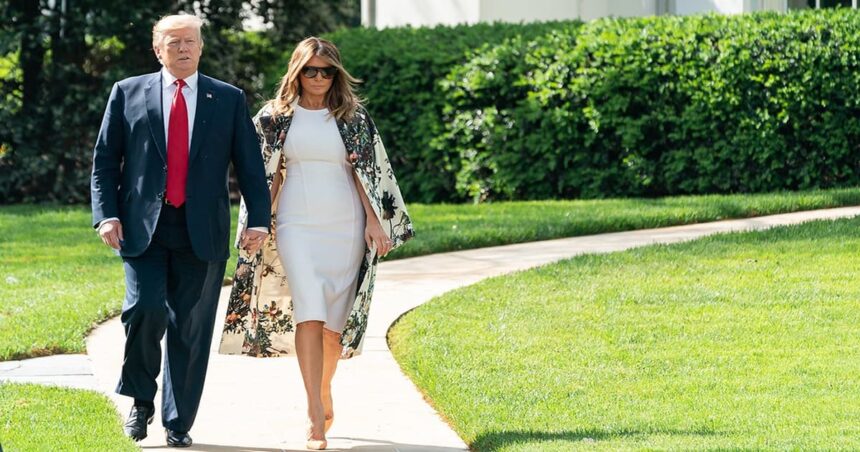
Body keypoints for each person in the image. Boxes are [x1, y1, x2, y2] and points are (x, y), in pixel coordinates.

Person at [218, 37, 414, 450]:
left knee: (332, 330)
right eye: (311, 70)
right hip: (295, 224)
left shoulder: (353, 118)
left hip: (345, 224)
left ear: (337, 74)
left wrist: (376, 223)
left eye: (327, 71)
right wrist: (256, 224)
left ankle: (324, 390)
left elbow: (370, 175)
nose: (319, 78)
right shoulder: (273, 118)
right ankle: (313, 414)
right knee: (308, 312)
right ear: (297, 71)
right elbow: (265, 176)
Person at [90, 14, 271, 447]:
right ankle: (140, 401)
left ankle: (177, 422)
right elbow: (103, 162)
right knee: (146, 310)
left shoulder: (226, 99)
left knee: (190, 326)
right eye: (174, 43)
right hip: (142, 228)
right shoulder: (127, 92)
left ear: (201, 47)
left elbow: (249, 166)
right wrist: (106, 215)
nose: (184, 49)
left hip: (201, 230)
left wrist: (259, 220)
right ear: (158, 50)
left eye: (191, 41)